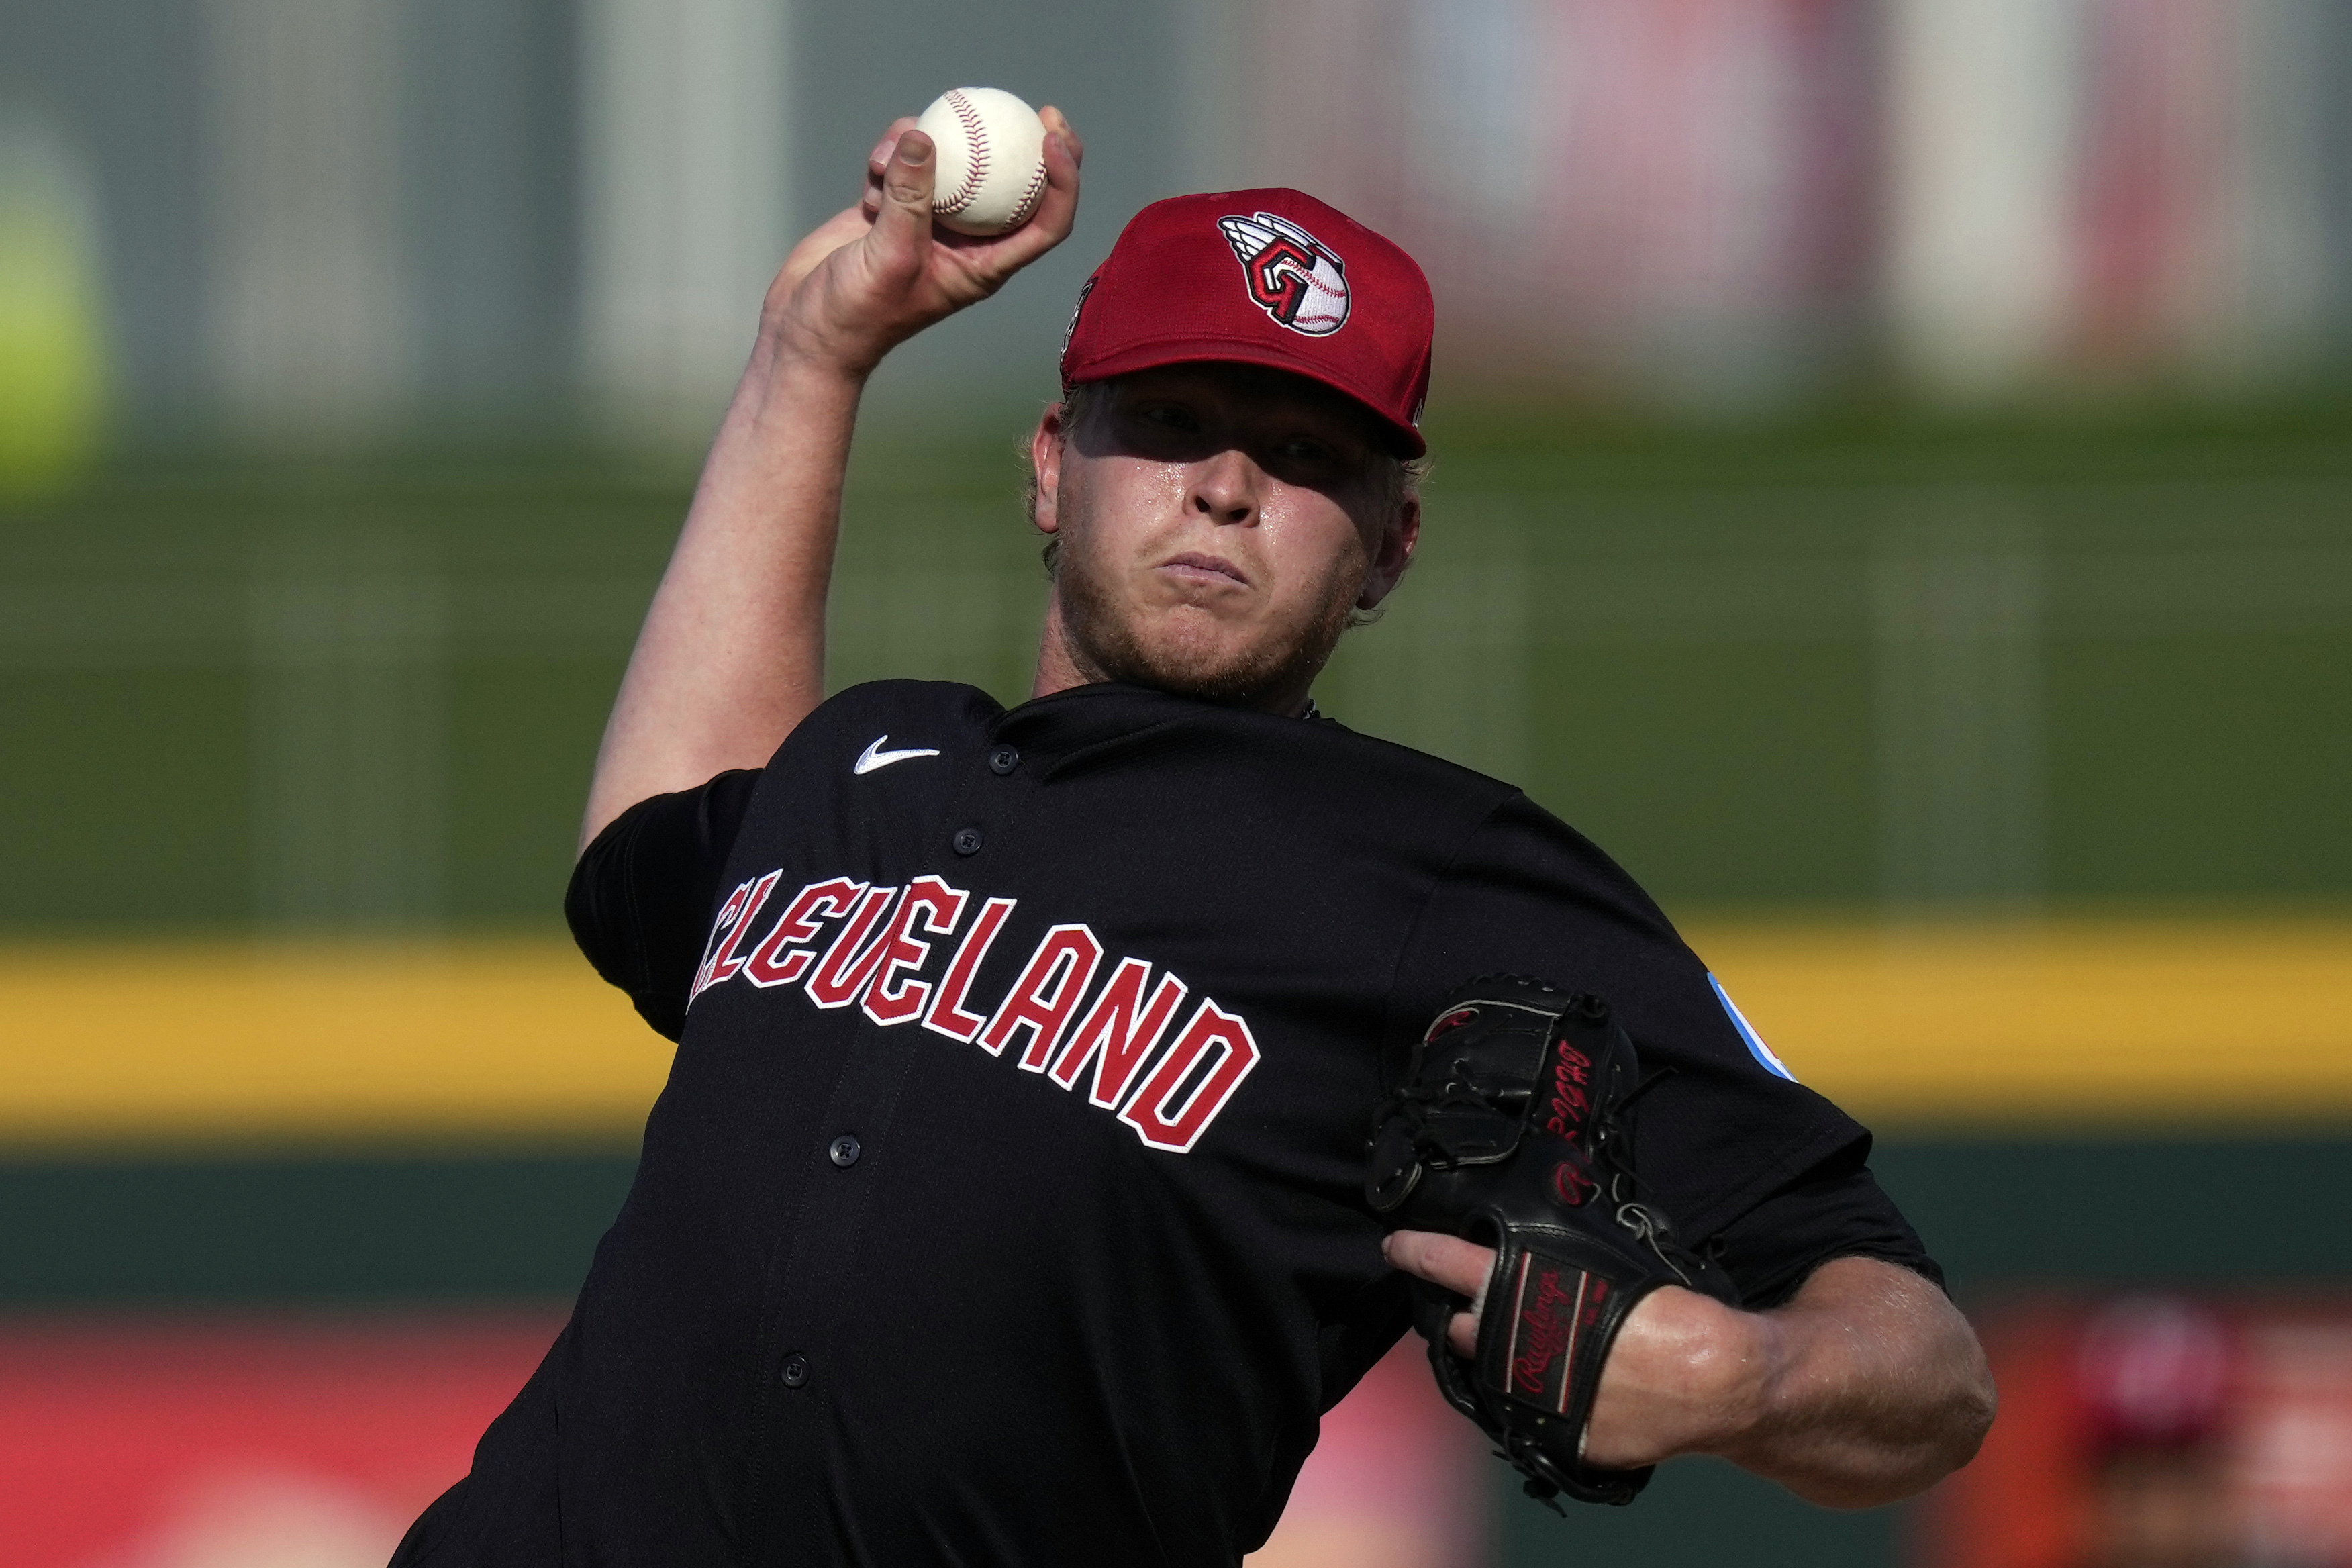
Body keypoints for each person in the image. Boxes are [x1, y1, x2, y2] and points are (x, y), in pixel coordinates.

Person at [393, 109, 1994, 1567]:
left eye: (1306, 455)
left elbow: (1926, 1364)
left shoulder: (1444, 879)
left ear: (1389, 549)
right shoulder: (868, 760)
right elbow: (644, 859)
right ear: (1049, 465)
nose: (1226, 484)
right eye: (1167, 419)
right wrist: (808, 362)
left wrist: (1749, 1374)